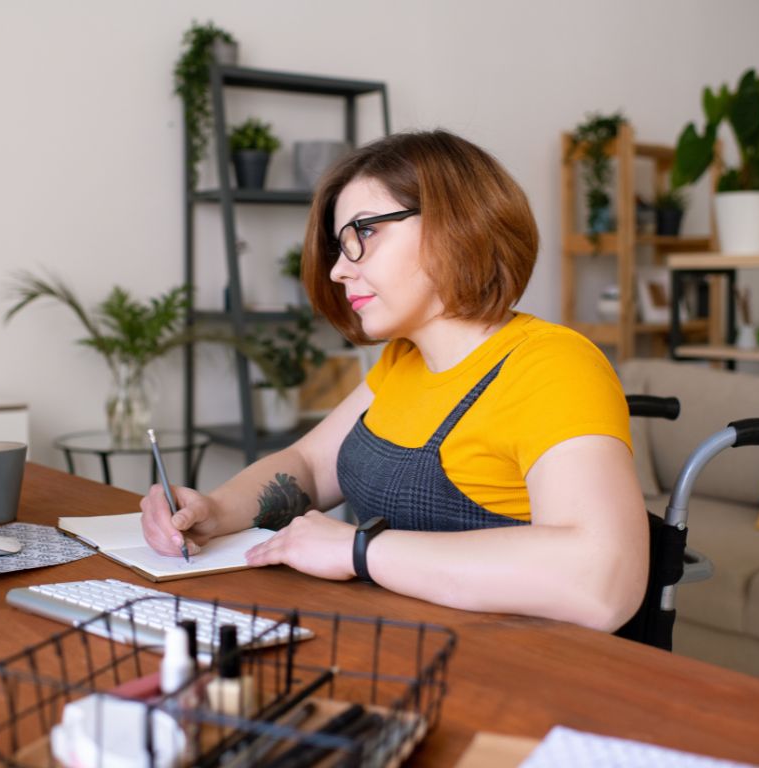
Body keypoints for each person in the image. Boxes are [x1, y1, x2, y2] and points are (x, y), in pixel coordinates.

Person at [142, 130, 647, 632]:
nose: (339, 270)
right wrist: (215, 509)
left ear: (457, 223)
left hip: (513, 671)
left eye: (365, 232)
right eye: (339, 246)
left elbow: (603, 582)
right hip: (397, 642)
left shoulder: (552, 365)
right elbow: (312, 468)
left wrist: (358, 550)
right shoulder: (403, 360)